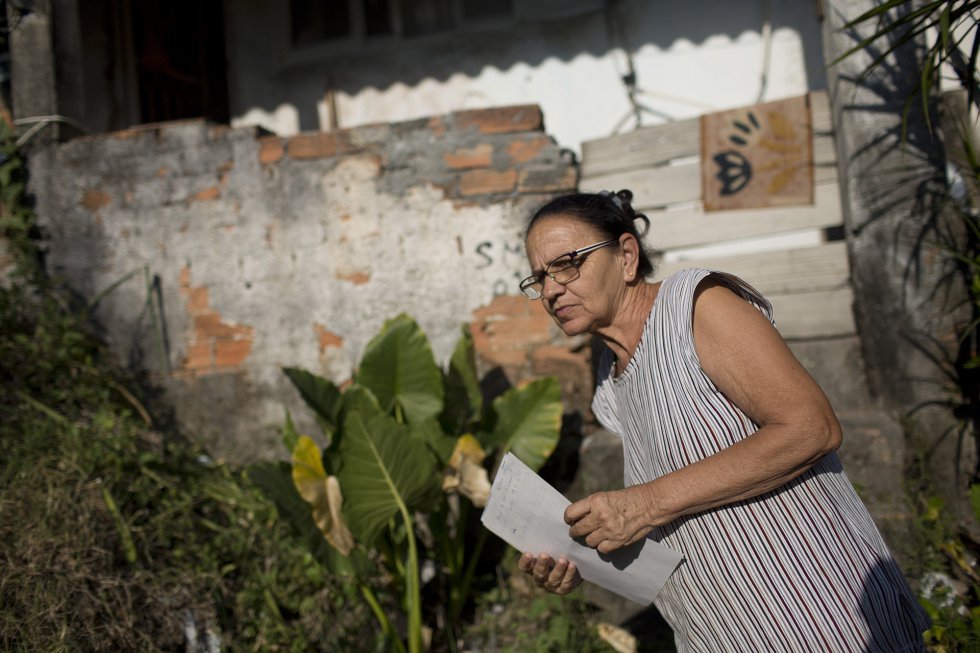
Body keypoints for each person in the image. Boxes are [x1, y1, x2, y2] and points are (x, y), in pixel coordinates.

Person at [515, 189, 929, 652]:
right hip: (721, 631)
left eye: (568, 263)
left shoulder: (694, 306)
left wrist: (642, 505)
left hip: (817, 617)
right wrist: (581, 555)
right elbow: (680, 510)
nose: (551, 290)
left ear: (626, 256)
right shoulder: (610, 384)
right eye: (539, 278)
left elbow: (811, 428)